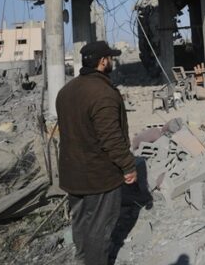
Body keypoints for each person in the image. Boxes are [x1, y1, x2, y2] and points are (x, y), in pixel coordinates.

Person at [56, 41, 137, 265]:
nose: (111, 61)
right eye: (109, 58)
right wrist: (128, 166)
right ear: (103, 62)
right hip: (99, 177)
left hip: (73, 175)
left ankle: (82, 261)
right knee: (99, 231)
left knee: (81, 226)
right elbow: (111, 138)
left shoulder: (65, 91)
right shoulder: (103, 93)